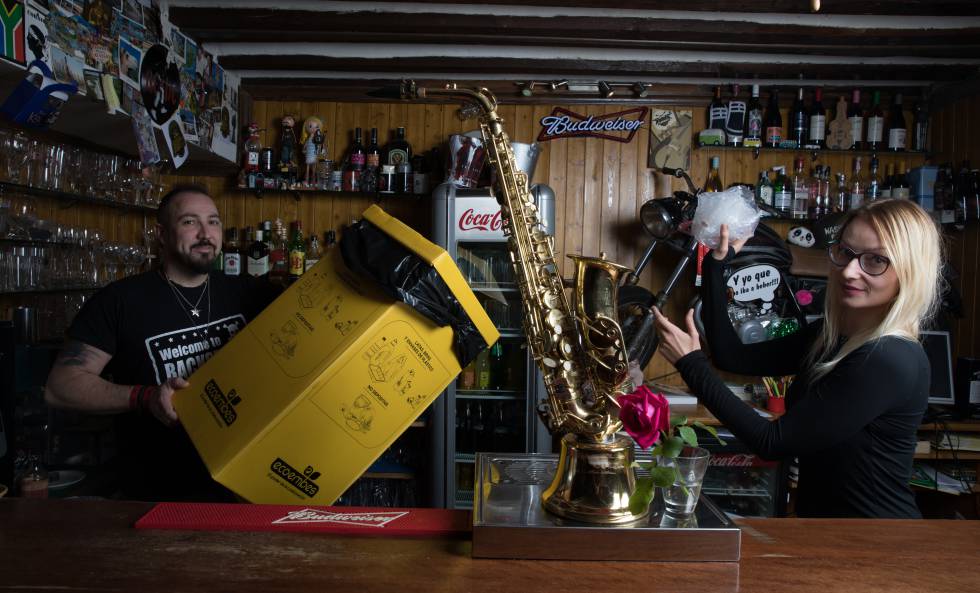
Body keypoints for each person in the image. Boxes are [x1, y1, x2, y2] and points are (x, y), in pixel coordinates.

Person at [651, 199, 943, 518]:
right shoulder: (829, 336)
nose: (848, 271)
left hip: (876, 539)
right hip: (826, 530)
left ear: (910, 271)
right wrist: (716, 267)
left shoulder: (889, 357)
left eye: (875, 260)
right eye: (845, 252)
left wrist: (692, 365)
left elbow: (773, 442)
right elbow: (733, 357)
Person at [44, 184, 281, 502]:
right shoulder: (119, 301)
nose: (205, 233)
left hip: (245, 488)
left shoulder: (250, 292)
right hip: (156, 493)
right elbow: (61, 386)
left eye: (213, 221)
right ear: (162, 233)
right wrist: (146, 397)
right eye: (189, 222)